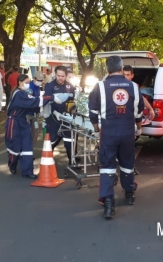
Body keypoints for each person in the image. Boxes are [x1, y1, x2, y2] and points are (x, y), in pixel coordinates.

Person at [88, 56, 144, 219]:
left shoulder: (99, 87)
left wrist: (98, 131)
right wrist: (138, 130)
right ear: (121, 69)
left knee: (107, 166)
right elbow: (139, 113)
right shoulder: (133, 87)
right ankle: (129, 194)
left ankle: (108, 204)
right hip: (127, 133)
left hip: (109, 133)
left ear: (107, 70)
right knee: (127, 164)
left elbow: (93, 113)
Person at [5, 74, 47, 179]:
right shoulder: (18, 93)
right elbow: (33, 101)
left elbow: (32, 104)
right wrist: (49, 97)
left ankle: (28, 171)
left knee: (27, 146)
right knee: (15, 146)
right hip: (14, 122)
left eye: (29, 82)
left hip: (23, 121)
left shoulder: (23, 93)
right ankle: (12, 164)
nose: (28, 85)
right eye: (26, 83)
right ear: (19, 82)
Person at [43, 65, 77, 165]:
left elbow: (73, 101)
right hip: (53, 117)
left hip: (67, 117)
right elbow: (46, 101)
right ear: (55, 74)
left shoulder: (70, 86)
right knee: (52, 140)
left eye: (62, 76)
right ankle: (48, 160)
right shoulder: (49, 86)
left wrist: (73, 110)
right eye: (58, 75)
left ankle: (72, 162)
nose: (60, 78)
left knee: (69, 140)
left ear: (66, 76)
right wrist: (55, 112)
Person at [27, 71, 44, 145]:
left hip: (35, 113)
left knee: (35, 132)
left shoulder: (37, 87)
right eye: (39, 80)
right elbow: (30, 100)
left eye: (41, 80)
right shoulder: (29, 87)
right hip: (27, 113)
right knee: (28, 133)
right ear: (34, 78)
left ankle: (30, 150)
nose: (40, 82)